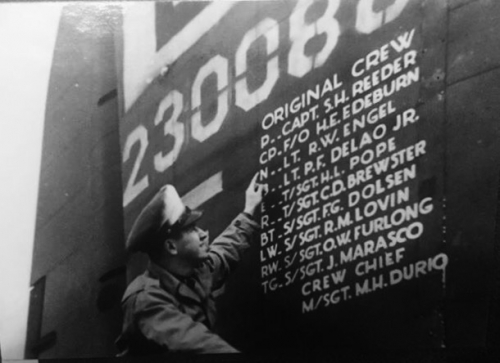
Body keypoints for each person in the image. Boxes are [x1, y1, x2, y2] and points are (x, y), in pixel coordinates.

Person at [116, 173, 265, 355]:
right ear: (171, 246)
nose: (203, 234)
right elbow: (196, 343)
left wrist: (248, 210)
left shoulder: (195, 272)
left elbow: (223, 252)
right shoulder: (145, 299)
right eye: (192, 229)